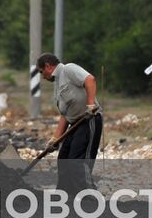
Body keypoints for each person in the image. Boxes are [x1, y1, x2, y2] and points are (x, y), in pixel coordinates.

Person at [35, 53, 102, 194]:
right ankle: (65, 194)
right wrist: (55, 139)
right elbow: (65, 115)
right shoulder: (58, 84)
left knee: (77, 159)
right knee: (64, 158)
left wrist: (91, 105)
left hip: (89, 119)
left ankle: (88, 195)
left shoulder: (68, 69)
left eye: (42, 72)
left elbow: (90, 80)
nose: (43, 77)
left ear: (48, 66)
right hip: (75, 124)